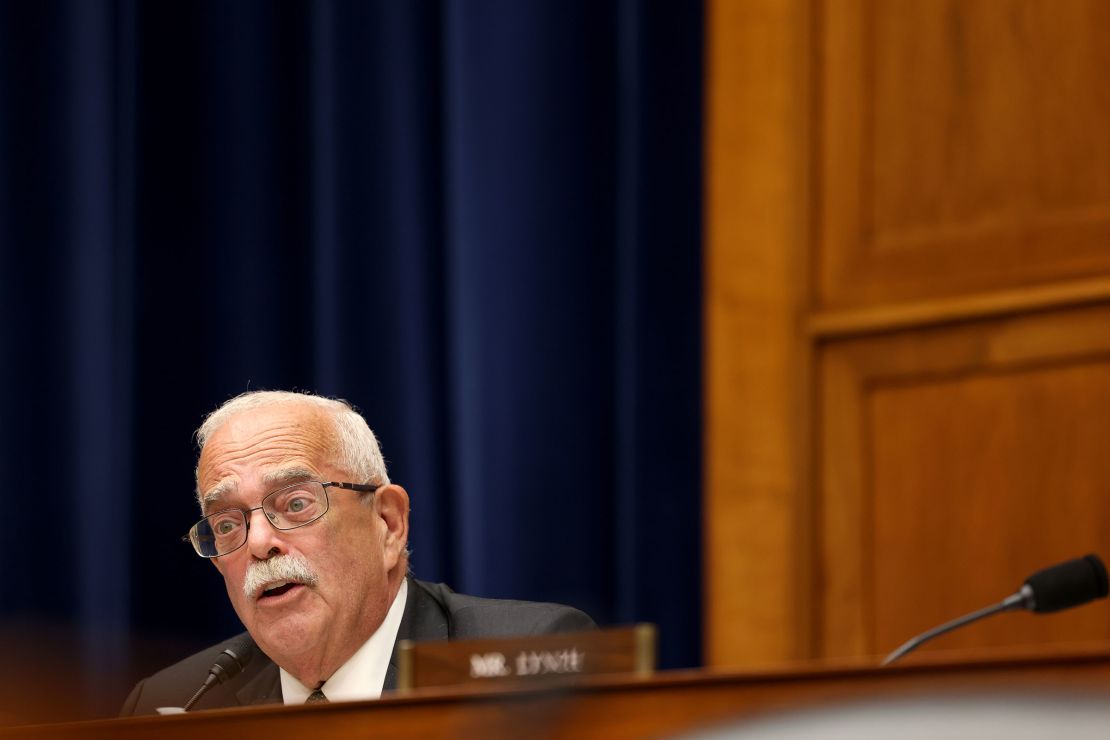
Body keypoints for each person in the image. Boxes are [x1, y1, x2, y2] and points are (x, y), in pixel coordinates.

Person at [121, 390, 594, 714]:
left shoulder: (531, 657)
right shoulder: (177, 704)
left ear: (388, 523)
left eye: (296, 504)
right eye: (227, 524)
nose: (261, 542)